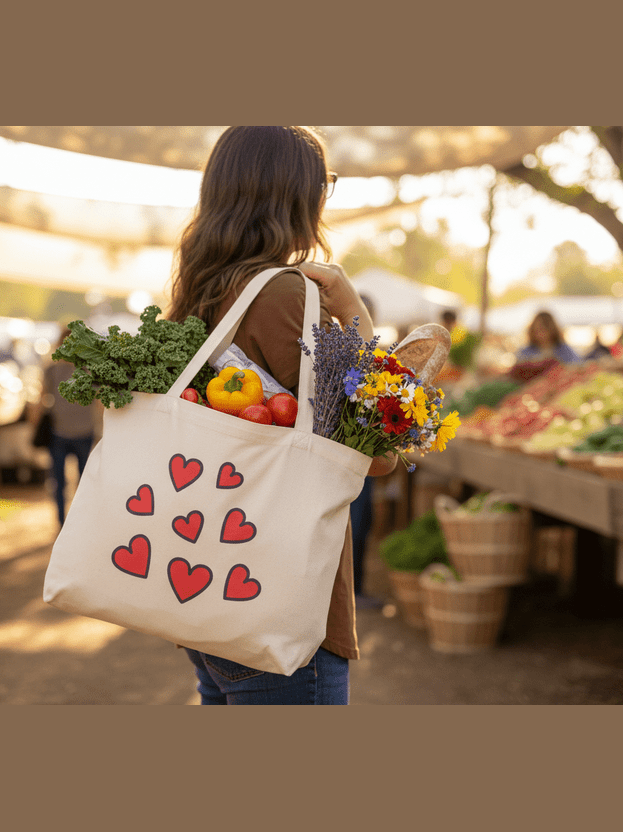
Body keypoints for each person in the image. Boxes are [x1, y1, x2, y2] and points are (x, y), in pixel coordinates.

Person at [167, 125, 397, 705]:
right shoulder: (283, 296)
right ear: (300, 194)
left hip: (213, 589)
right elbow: (373, 452)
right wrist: (358, 319)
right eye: (327, 183)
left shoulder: (199, 292)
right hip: (282, 601)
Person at [39, 328, 99, 526]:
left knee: (71, 483)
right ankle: (68, 523)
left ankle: (68, 523)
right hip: (65, 433)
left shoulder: (87, 368)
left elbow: (42, 399)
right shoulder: (83, 369)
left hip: (74, 432)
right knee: (71, 484)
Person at [515, 310, 581, 364]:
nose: (540, 334)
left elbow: (578, 365)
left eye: (543, 329)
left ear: (552, 329)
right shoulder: (525, 352)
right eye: (536, 330)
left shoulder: (564, 350)